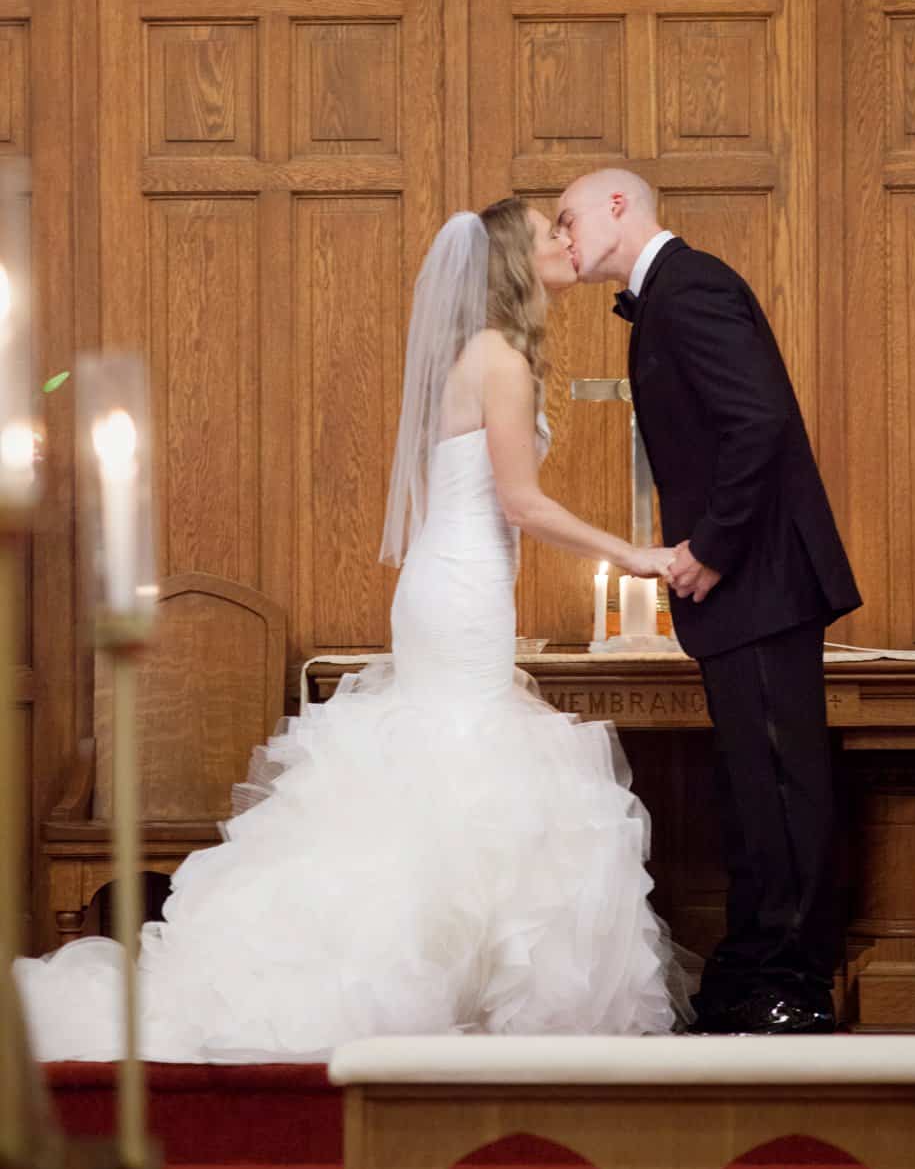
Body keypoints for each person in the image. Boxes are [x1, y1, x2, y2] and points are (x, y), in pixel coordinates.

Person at [15, 199, 700, 1063]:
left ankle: (451, 982)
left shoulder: (479, 352)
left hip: (449, 583)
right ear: (514, 264)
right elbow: (521, 502)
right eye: (547, 233)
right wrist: (632, 553)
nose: (566, 241)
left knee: (444, 766)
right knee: (465, 759)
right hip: (460, 590)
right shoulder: (500, 358)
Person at [556, 168, 863, 1036]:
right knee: (750, 791)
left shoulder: (690, 287)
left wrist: (709, 551)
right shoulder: (670, 294)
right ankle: (750, 971)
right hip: (747, 589)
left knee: (780, 790)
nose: (564, 235)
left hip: (758, 579)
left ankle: (791, 988)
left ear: (620, 205)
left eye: (569, 217)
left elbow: (759, 422)